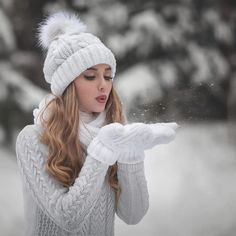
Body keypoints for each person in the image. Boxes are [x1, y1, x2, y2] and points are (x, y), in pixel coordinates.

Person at [15, 12, 179, 236]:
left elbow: (133, 215)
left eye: (108, 76)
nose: (104, 86)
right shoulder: (32, 139)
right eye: (91, 76)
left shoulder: (112, 132)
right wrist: (102, 151)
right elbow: (67, 218)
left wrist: (131, 152)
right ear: (68, 85)